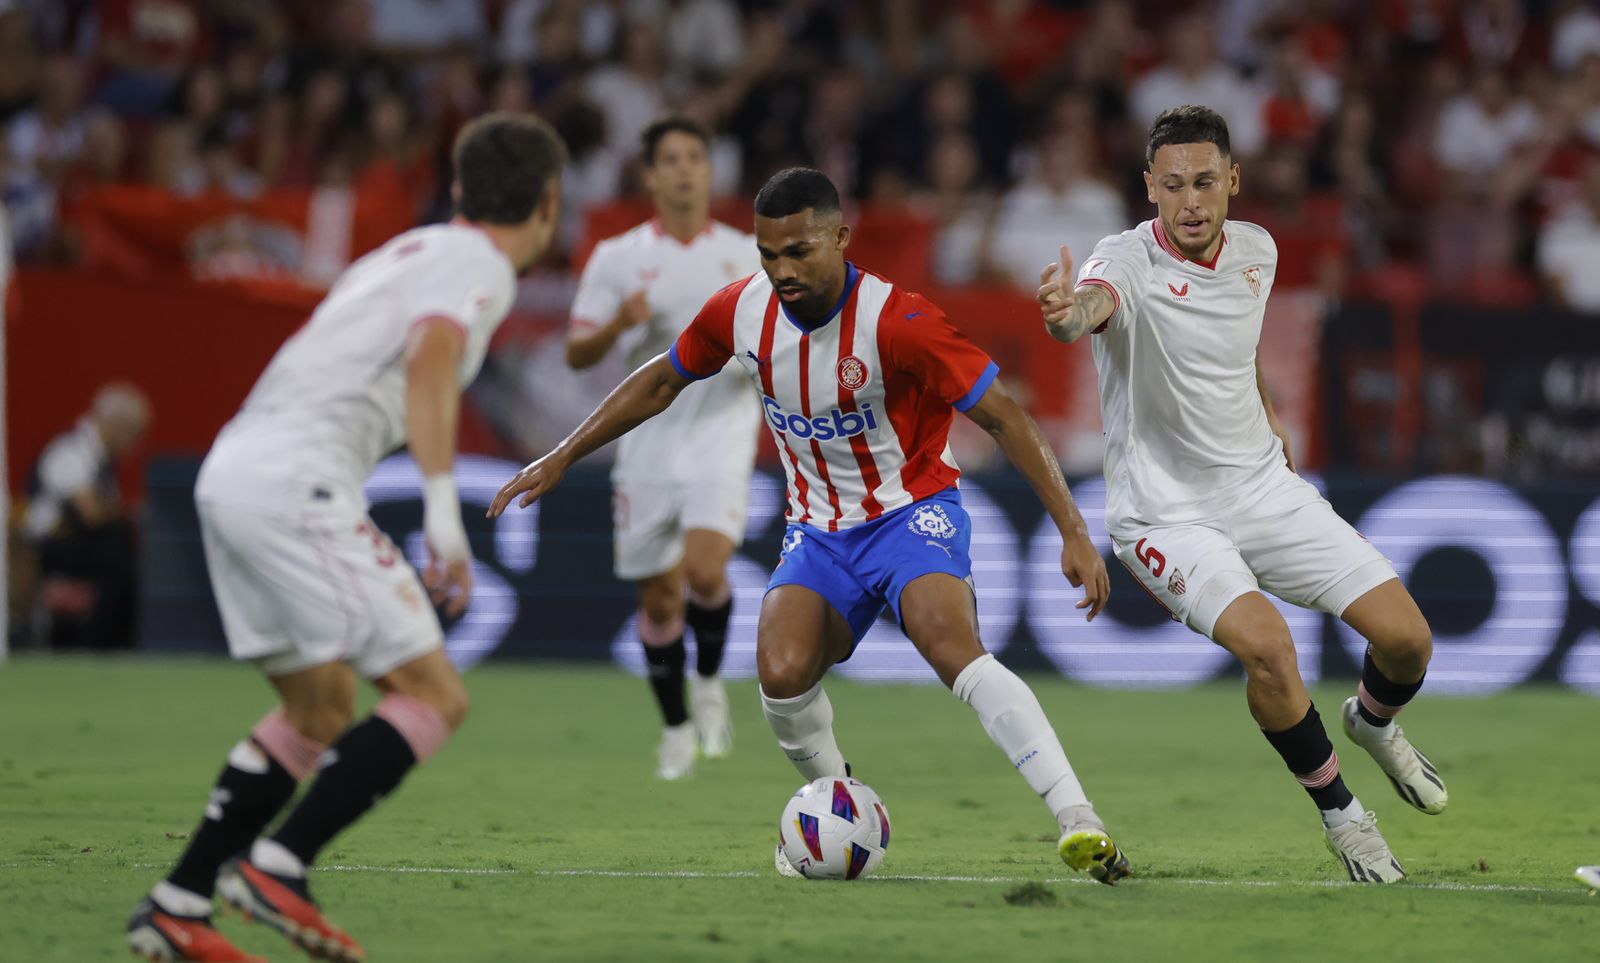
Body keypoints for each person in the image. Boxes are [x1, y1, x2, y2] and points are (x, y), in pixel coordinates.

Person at [491, 167, 1130, 884]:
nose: (783, 270)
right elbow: (662, 378)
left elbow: (1004, 416)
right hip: (818, 532)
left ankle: (1079, 818)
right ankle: (841, 805)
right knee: (781, 673)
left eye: (799, 251)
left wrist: (1074, 530)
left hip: (910, 511)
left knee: (950, 643)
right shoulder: (740, 311)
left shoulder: (899, 320)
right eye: (769, 254)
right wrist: (561, 454)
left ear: (840, 237)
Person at [125, 113, 566, 963]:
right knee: (435, 695)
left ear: (461, 188)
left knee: (320, 707)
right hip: (296, 481)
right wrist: (443, 511)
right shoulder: (477, 263)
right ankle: (280, 864)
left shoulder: (403, 253)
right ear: (548, 203)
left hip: (236, 469)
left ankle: (178, 904)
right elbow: (432, 356)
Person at [1037, 105, 1446, 884]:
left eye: (1203, 182)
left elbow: (1235, 340)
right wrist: (1066, 314)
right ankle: (1344, 817)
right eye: (1172, 185)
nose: (1190, 202)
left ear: (1233, 179)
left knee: (1409, 640)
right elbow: (1089, 309)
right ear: (1149, 188)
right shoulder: (1124, 261)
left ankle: (1372, 721)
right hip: (1165, 514)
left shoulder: (1259, 249)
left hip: (1261, 486)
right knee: (1269, 648)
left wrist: (1264, 408)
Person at [565, 118, 760, 780]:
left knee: (704, 572)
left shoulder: (746, 254)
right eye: (670, 159)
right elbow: (577, 350)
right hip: (646, 439)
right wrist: (621, 322)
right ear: (649, 175)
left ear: (710, 171)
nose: (683, 169)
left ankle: (708, 683)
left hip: (722, 431)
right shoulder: (617, 258)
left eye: (694, 157)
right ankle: (675, 728)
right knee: (658, 600)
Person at [23, 382, 150, 649]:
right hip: (51, 549)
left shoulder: (101, 462)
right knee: (119, 558)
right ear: (117, 426)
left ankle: (112, 644)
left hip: (84, 548)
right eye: (135, 433)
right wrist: (128, 512)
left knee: (126, 555)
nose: (135, 444)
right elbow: (91, 513)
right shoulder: (69, 452)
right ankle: (97, 645)